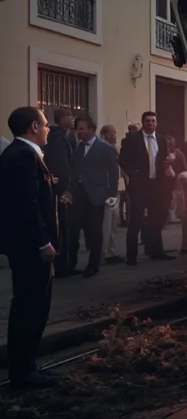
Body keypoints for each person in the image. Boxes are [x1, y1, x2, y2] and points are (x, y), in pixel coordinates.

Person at [0, 107, 58, 389]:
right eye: (46, 125)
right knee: (31, 306)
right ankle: (24, 371)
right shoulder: (24, 156)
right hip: (31, 247)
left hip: (22, 245)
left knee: (26, 303)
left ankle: (25, 366)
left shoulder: (15, 153)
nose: (49, 129)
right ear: (34, 126)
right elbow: (27, 204)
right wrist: (43, 242)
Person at [62, 115, 119, 278]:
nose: (78, 132)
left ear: (92, 130)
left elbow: (114, 172)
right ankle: (70, 265)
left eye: (82, 129)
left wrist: (111, 194)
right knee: (73, 230)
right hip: (78, 195)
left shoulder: (105, 148)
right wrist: (68, 191)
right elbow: (73, 172)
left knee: (94, 231)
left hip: (96, 195)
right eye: (77, 129)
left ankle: (93, 265)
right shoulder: (78, 148)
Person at [119, 112, 175, 264]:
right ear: (143, 122)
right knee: (135, 220)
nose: (151, 123)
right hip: (139, 186)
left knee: (156, 220)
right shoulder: (133, 139)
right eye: (148, 121)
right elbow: (122, 159)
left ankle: (156, 251)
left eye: (153, 121)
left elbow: (164, 158)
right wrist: (133, 173)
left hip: (156, 186)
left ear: (157, 123)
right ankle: (131, 255)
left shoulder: (162, 140)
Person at [44, 107, 75, 278]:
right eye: (69, 116)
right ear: (61, 119)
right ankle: (62, 266)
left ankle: (63, 264)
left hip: (61, 187)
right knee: (63, 227)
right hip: (61, 189)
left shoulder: (67, 136)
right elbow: (62, 166)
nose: (72, 119)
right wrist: (66, 190)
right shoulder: (58, 138)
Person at [99, 125, 125, 265]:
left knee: (112, 222)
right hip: (110, 191)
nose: (115, 135)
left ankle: (110, 250)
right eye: (112, 133)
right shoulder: (105, 148)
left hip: (115, 189)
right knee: (109, 223)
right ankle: (109, 252)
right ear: (105, 134)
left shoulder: (111, 148)